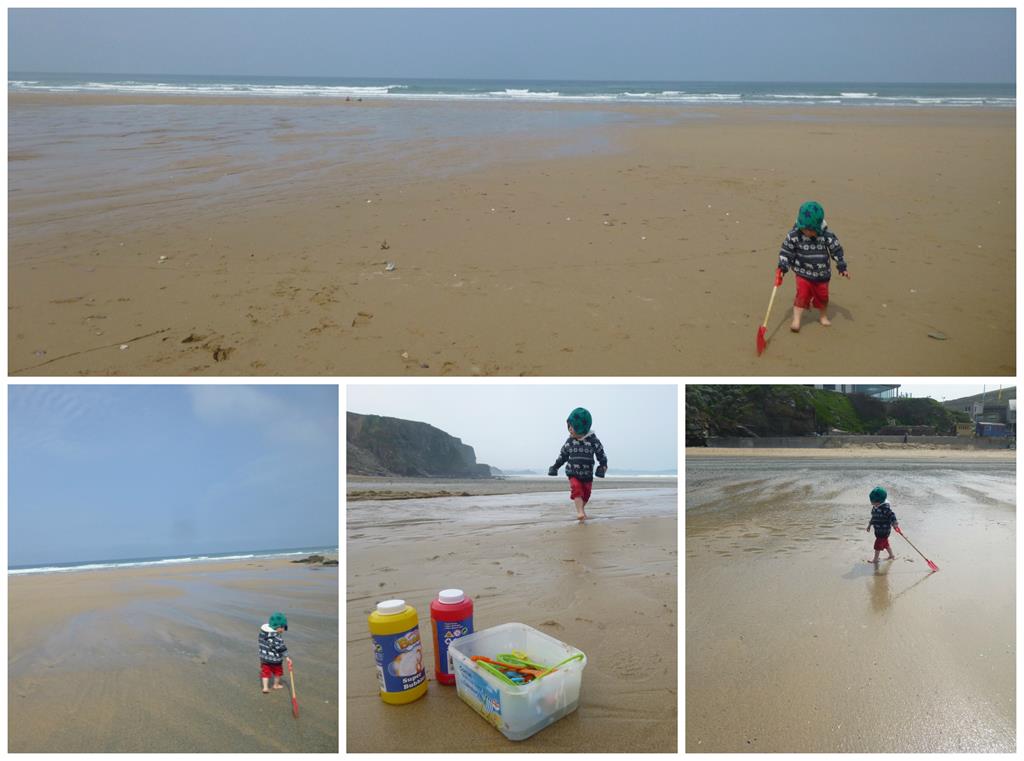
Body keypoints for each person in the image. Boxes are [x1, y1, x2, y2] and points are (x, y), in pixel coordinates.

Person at [777, 201, 849, 332]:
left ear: (817, 228)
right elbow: (786, 251)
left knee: (823, 298)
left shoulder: (826, 236)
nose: (805, 231)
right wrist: (782, 267)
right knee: (801, 296)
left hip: (822, 275)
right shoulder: (795, 235)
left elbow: (836, 249)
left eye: (809, 230)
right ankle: (796, 320)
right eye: (803, 228)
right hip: (802, 272)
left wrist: (841, 266)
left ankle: (823, 316)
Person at [548, 407, 608, 522]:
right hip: (573, 472)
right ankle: (580, 512)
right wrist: (555, 467)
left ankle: (581, 509)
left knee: (586, 494)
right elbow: (563, 455)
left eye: (573, 427)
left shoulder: (593, 441)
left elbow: (601, 454)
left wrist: (603, 466)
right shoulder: (570, 441)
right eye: (569, 426)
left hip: (587, 474)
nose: (570, 429)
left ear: (582, 428)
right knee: (576, 489)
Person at [259, 611, 293, 694]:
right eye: (283, 627)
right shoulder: (276, 638)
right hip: (275, 660)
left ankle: (265, 688)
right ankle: (276, 685)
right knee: (277, 672)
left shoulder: (262, 634)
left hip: (264, 658)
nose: (283, 630)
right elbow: (281, 648)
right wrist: (287, 657)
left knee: (265, 673)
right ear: (278, 627)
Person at [865, 487, 898, 563]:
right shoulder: (875, 507)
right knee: (885, 544)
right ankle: (891, 555)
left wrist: (895, 524)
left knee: (877, 545)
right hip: (878, 530)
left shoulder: (885, 508)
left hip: (884, 530)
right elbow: (874, 517)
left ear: (880, 501)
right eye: (871, 501)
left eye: (873, 502)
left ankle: (875, 559)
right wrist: (870, 525)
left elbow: (892, 515)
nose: (871, 503)